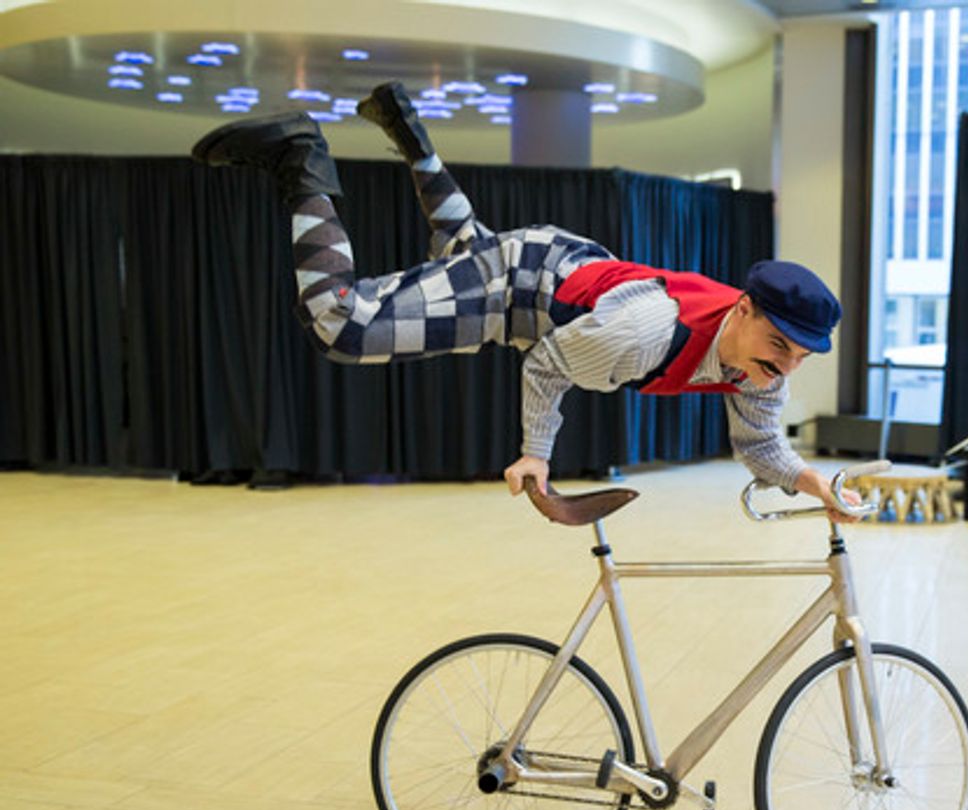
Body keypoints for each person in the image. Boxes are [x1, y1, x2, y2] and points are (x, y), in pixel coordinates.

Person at [191, 81, 858, 521]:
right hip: (522, 283)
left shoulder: (757, 371)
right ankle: (299, 158)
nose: (785, 368)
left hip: (559, 272)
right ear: (743, 311)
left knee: (460, 248)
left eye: (800, 357)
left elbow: (763, 446)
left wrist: (818, 484)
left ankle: (406, 127)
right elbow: (546, 364)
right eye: (779, 347)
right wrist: (536, 450)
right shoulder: (651, 330)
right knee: (343, 326)